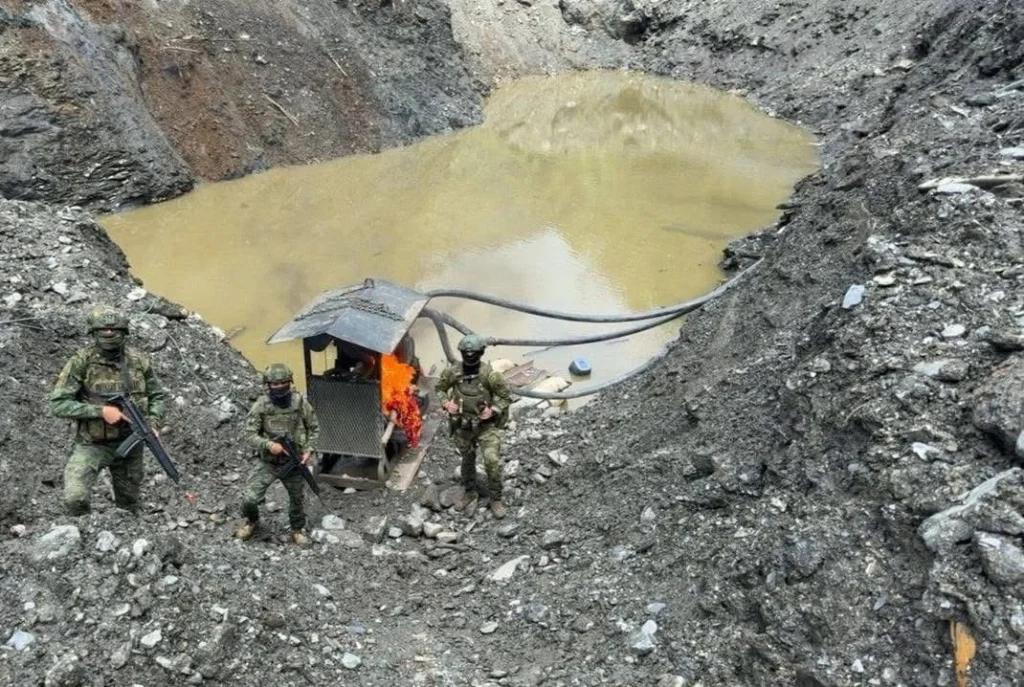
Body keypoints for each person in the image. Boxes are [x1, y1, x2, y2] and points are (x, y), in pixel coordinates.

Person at [50, 305, 167, 516]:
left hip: (130, 444)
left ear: (124, 332)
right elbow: (59, 404)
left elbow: (157, 396)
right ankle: (84, 527)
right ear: (94, 332)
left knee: (129, 505)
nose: (110, 334)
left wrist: (153, 422)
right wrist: (100, 412)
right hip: (92, 444)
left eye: (114, 330)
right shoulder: (81, 362)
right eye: (104, 330)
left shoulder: (139, 361)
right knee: (75, 498)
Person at [236, 363, 320, 545]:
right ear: (268, 385)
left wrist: (308, 450)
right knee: (249, 499)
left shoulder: (299, 403)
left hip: (294, 462)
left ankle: (297, 529)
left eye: (283, 383)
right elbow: (249, 434)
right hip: (268, 462)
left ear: (289, 382)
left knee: (297, 499)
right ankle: (252, 521)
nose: (279, 387)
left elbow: (314, 428)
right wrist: (268, 444)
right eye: (275, 384)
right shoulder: (261, 405)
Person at [436, 333, 511, 518]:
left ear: (481, 353)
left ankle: (496, 498)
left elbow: (505, 397)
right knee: (467, 460)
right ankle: (470, 491)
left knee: (492, 461)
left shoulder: (490, 376)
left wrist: (493, 410)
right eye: (466, 353)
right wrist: (446, 403)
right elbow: (439, 389)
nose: (469, 357)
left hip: (486, 427)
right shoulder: (453, 372)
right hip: (463, 426)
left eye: (473, 353)